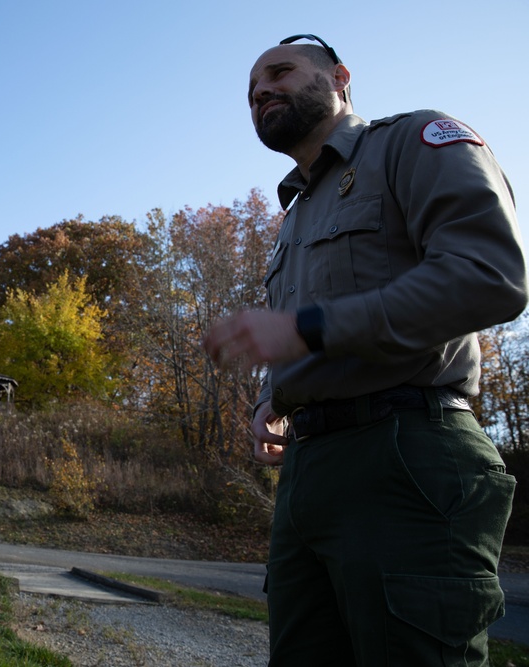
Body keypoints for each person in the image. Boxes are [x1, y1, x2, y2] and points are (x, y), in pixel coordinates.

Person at [204, 35, 526, 666]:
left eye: (280, 72)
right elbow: (306, 327)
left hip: (408, 455)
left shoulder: (415, 141)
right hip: (308, 473)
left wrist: (308, 329)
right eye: (250, 91)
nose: (261, 91)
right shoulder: (294, 214)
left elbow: (490, 275)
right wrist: (274, 397)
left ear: (340, 77)